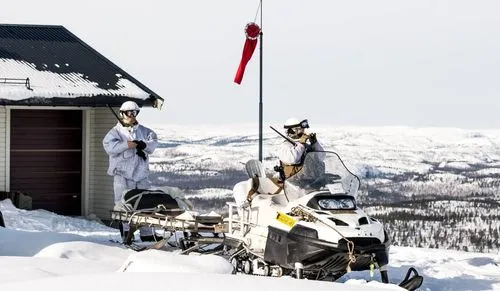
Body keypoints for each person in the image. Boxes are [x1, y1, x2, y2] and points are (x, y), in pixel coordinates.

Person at [102, 100, 159, 242]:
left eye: (135, 112)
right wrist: (127, 144)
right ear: (122, 113)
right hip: (123, 176)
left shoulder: (144, 131)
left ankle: (147, 233)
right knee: (124, 204)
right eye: (130, 112)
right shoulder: (115, 132)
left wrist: (143, 145)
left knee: (145, 203)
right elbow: (109, 147)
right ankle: (127, 234)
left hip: (141, 175)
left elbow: (153, 142)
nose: (133, 115)